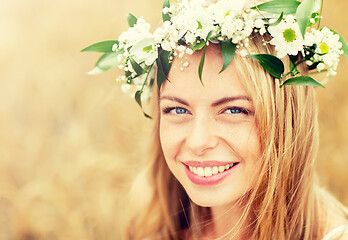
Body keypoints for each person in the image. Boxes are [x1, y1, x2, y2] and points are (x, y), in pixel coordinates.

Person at [83, 0, 348, 239]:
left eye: (234, 110)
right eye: (177, 110)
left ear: (287, 119)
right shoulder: (153, 224)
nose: (199, 141)